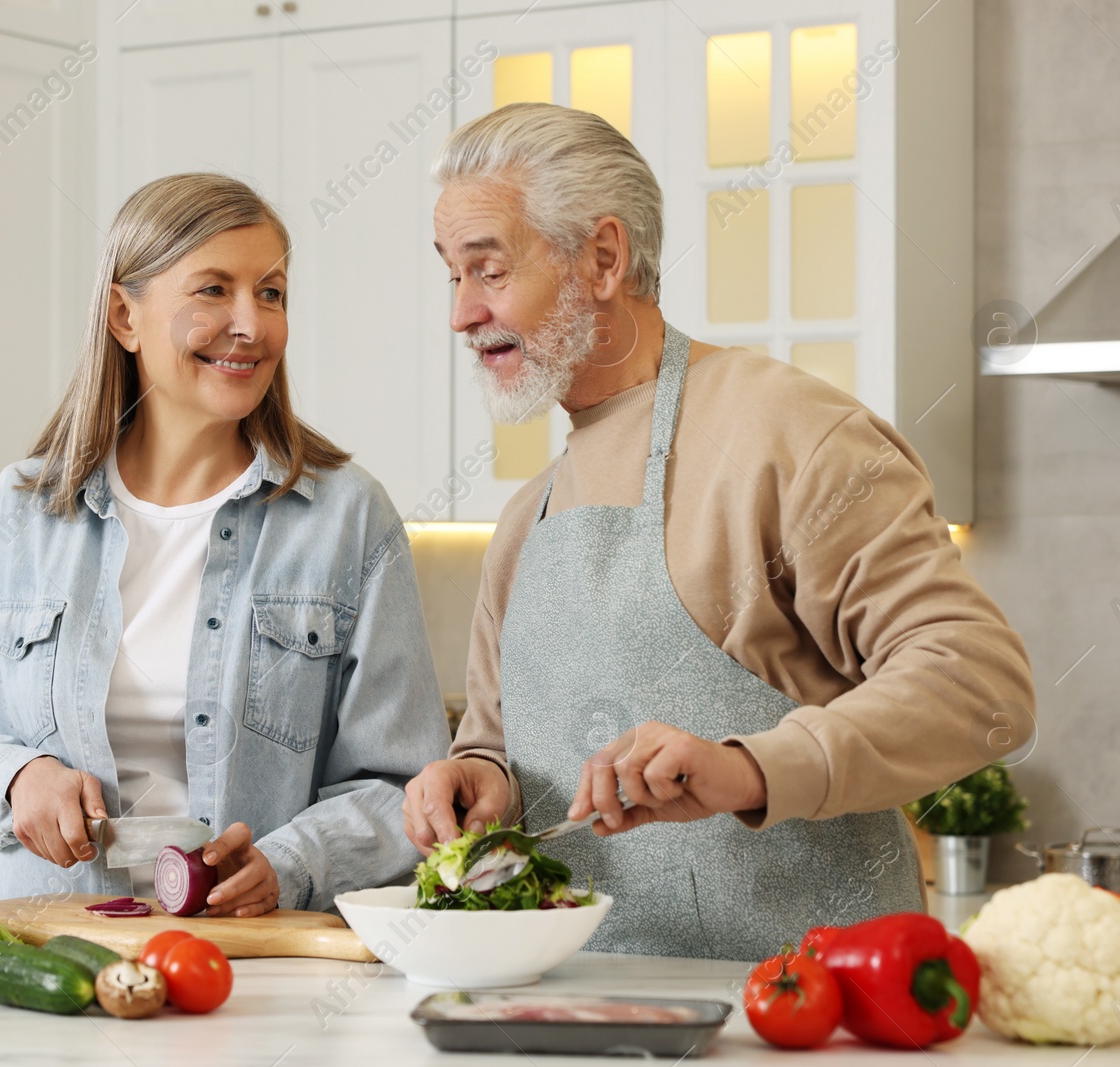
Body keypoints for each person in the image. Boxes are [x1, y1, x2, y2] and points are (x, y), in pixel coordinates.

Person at [403, 104, 1036, 959]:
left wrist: (748, 769)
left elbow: (981, 685)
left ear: (602, 258)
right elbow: (500, 749)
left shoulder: (790, 433)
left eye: (489, 270)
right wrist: (476, 781)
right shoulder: (527, 519)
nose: (462, 315)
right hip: (586, 1010)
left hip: (814, 1009)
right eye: (453, 277)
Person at [0, 173, 449, 916]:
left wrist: (291, 860)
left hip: (254, 974)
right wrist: (16, 779)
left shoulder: (348, 517)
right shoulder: (18, 514)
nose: (251, 323)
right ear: (124, 315)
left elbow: (406, 784)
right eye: (213, 290)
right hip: (50, 961)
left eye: (271, 292)